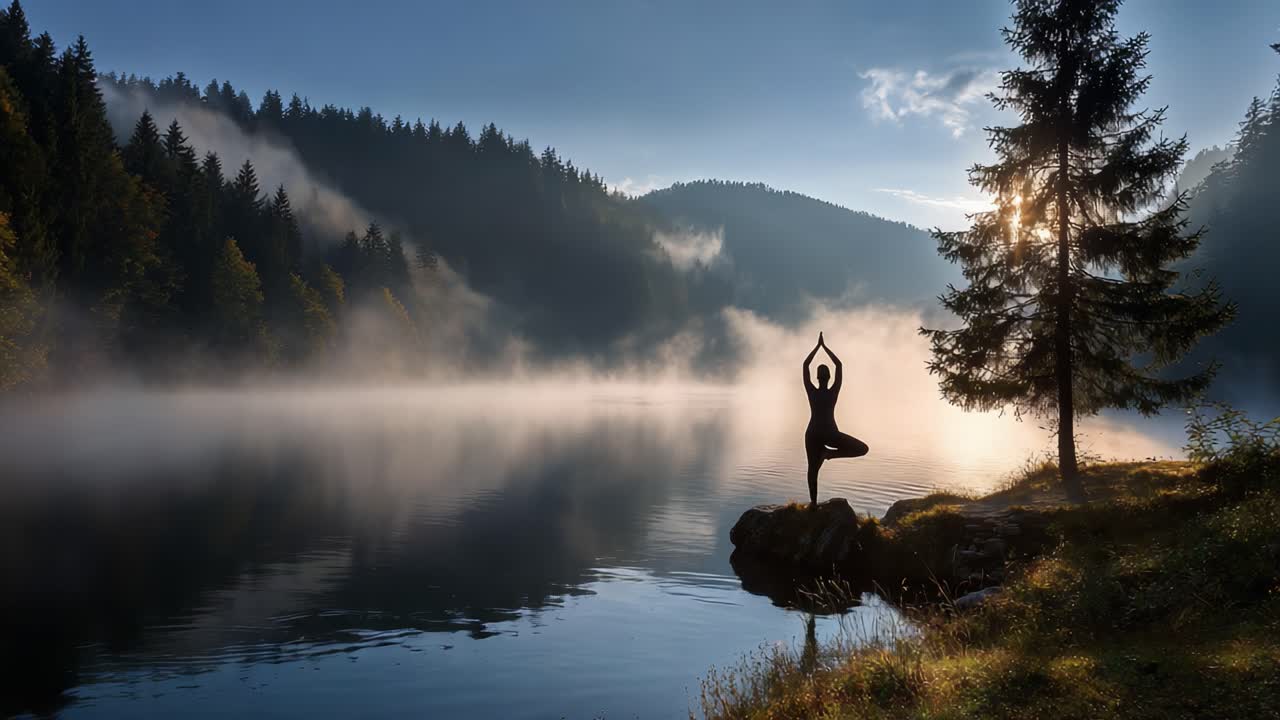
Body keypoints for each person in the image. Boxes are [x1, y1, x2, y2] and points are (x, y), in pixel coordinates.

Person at [802, 332, 868, 506]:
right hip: (829, 432)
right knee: (862, 449)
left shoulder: (811, 390)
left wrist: (817, 347)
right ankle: (829, 453)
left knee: (812, 470)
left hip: (812, 433)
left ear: (817, 377)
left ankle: (813, 503)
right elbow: (838, 365)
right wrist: (825, 347)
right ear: (829, 377)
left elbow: (805, 365)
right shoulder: (833, 391)